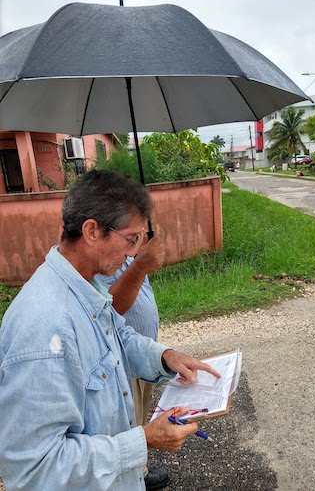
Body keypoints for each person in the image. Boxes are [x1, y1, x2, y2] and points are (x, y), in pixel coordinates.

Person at [0, 170, 220, 491]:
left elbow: (119, 337)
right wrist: (143, 440)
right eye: (131, 239)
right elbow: (35, 467)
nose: (133, 253)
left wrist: (166, 358)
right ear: (92, 231)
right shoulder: (44, 328)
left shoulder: (85, 286)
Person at [95, 236, 169, 490]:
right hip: (121, 365)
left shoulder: (128, 252)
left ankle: (138, 472)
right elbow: (109, 310)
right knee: (126, 427)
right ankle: (133, 478)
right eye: (133, 233)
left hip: (141, 358)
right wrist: (141, 266)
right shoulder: (104, 257)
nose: (140, 237)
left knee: (138, 418)